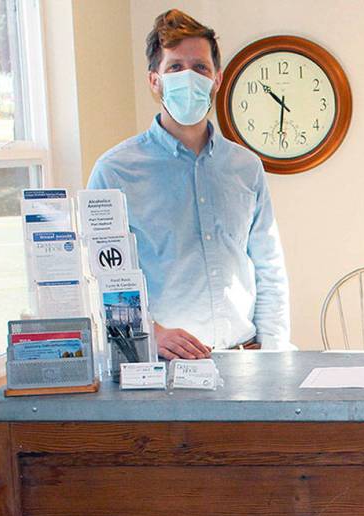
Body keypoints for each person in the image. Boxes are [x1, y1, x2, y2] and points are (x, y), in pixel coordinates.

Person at [88, 9, 292, 359]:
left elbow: (268, 267)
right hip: (165, 365)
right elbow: (101, 278)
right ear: (154, 81)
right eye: (175, 68)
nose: (189, 77)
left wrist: (273, 353)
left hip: (246, 358)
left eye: (200, 67)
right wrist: (150, 333)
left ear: (217, 79)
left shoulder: (245, 168)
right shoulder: (114, 171)